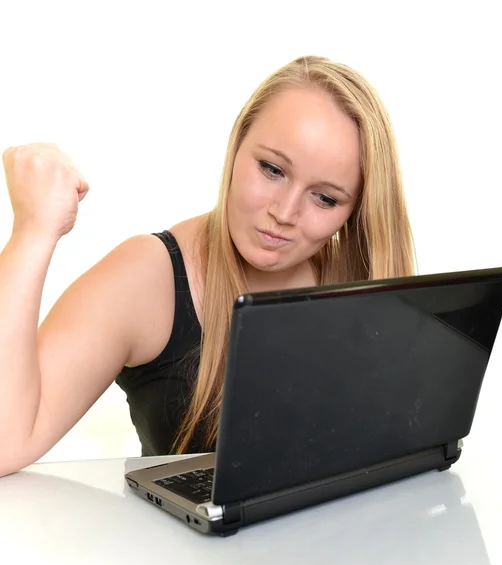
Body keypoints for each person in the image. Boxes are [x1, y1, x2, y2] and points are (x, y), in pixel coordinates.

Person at [0, 55, 416, 478]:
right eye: (272, 169)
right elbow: (4, 442)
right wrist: (33, 232)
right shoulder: (148, 276)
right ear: (237, 145)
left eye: (325, 198)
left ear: (355, 211)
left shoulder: (362, 283)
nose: (285, 212)